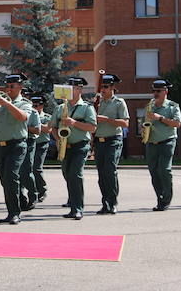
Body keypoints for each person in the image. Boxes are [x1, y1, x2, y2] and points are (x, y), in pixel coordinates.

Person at [0, 74, 31, 225]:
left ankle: (14, 213)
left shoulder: (24, 103)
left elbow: (22, 117)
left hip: (16, 145)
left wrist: (6, 103)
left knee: (10, 177)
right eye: (7, 86)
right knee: (5, 180)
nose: (8, 89)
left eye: (12, 86)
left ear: (20, 87)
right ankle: (19, 200)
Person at [51, 77, 97, 220]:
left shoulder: (86, 107)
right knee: (67, 175)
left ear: (79, 90)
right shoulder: (60, 108)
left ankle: (78, 209)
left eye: (73, 88)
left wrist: (74, 123)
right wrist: (58, 140)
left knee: (75, 175)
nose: (70, 91)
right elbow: (53, 127)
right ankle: (73, 207)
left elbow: (92, 127)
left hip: (80, 145)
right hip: (65, 146)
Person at [143, 79, 181, 211]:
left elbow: (177, 124)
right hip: (152, 143)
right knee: (154, 171)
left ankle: (166, 198)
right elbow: (145, 122)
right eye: (154, 91)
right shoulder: (150, 105)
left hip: (167, 141)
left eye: (158, 91)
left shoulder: (173, 106)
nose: (155, 93)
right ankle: (160, 199)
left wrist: (160, 118)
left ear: (166, 91)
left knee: (164, 170)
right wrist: (144, 129)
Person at [93, 73, 129, 214]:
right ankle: (105, 203)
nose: (103, 90)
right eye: (102, 87)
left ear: (113, 87)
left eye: (106, 87)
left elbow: (125, 123)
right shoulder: (97, 103)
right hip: (99, 141)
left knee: (110, 170)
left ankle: (112, 202)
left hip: (113, 139)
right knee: (102, 174)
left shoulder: (119, 103)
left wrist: (107, 119)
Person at [19, 88, 41, 211]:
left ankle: (33, 194)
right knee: (16, 173)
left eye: (26, 95)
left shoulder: (33, 112)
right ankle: (21, 199)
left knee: (26, 172)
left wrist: (22, 127)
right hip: (16, 141)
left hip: (28, 142)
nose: (24, 96)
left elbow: (37, 130)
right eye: (23, 94)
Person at [30, 95, 52, 204]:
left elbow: (48, 129)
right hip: (31, 143)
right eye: (32, 105)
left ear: (42, 105)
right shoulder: (29, 115)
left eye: (36, 105)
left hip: (41, 144)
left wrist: (36, 122)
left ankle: (42, 190)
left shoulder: (47, 117)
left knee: (36, 167)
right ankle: (33, 191)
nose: (34, 107)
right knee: (28, 169)